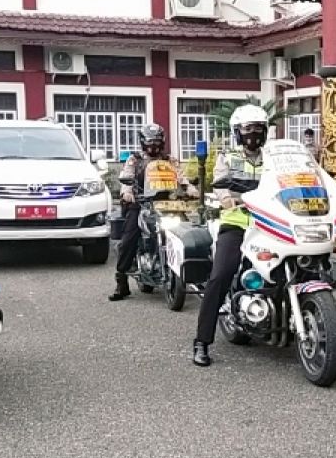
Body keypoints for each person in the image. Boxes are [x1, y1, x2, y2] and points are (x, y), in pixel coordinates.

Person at [192, 104, 269, 367]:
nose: (253, 134)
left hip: (272, 223)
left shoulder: (273, 158)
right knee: (222, 273)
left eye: (258, 128)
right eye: (248, 129)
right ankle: (202, 341)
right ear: (237, 132)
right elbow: (220, 183)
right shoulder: (228, 156)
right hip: (237, 222)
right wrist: (226, 199)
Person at [109, 124, 188, 301]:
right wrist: (127, 192)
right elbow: (126, 178)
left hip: (167, 204)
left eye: (157, 142)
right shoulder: (134, 160)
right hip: (140, 203)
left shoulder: (170, 160)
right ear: (143, 143)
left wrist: (189, 188)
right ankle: (121, 281)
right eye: (150, 142)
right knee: (129, 238)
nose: (154, 146)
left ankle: (191, 270)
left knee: (188, 231)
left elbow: (181, 178)